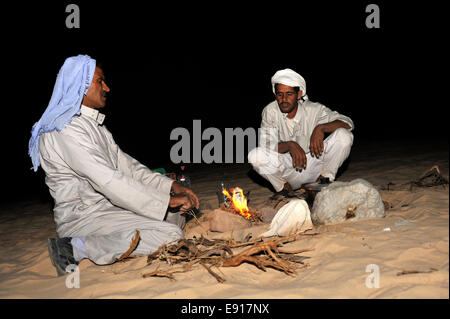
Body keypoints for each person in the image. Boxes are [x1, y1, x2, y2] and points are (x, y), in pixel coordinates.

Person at [28, 55, 199, 276]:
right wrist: (166, 200)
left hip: (108, 210)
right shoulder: (64, 130)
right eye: (100, 81)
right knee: (171, 236)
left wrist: (170, 188)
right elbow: (107, 180)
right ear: (80, 84)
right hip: (84, 217)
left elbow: (129, 168)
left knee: (176, 216)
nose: (107, 87)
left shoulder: (93, 126)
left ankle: (115, 238)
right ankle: (75, 247)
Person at [248, 68, 354, 196]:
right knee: (255, 155)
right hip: (289, 170)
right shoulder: (270, 111)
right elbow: (267, 145)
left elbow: (347, 123)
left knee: (344, 136)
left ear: (299, 94)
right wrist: (290, 145)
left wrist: (321, 128)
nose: (284, 99)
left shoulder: (314, 109)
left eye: (289, 94)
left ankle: (323, 181)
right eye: (280, 94)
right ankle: (283, 189)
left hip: (315, 164)